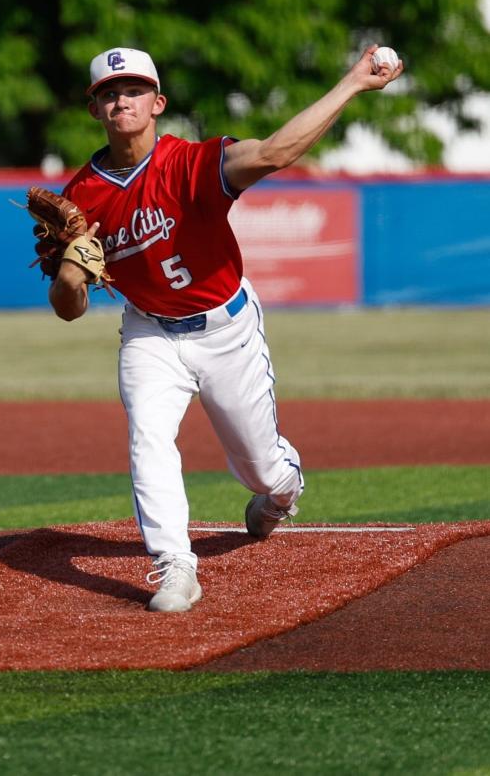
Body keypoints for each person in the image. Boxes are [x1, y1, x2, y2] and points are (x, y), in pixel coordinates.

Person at [46, 45, 403, 613]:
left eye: (133, 90)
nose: (121, 101)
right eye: (108, 93)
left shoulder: (191, 163)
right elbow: (69, 308)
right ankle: (175, 567)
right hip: (150, 333)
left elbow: (275, 152)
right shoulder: (78, 198)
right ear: (94, 109)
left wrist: (352, 84)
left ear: (157, 102)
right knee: (148, 436)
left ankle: (284, 489)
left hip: (225, 329)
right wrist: (69, 272)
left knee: (261, 468)